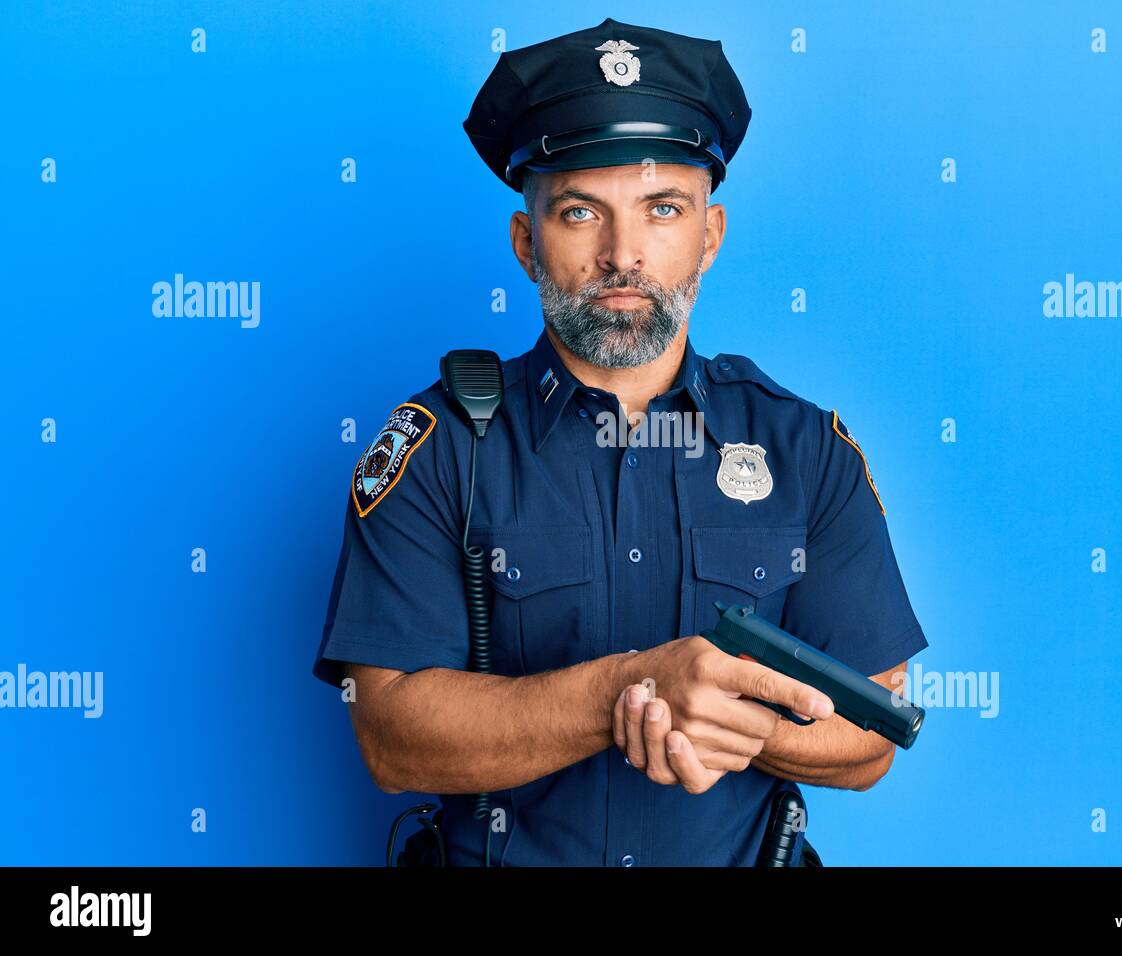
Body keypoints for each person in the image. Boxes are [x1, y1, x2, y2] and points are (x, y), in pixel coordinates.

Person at [312, 17, 929, 866]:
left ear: (708, 236)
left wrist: (719, 714)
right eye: (579, 212)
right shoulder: (439, 446)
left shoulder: (805, 449)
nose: (622, 254)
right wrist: (626, 690)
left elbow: (872, 740)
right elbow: (390, 737)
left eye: (662, 209)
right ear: (528, 243)